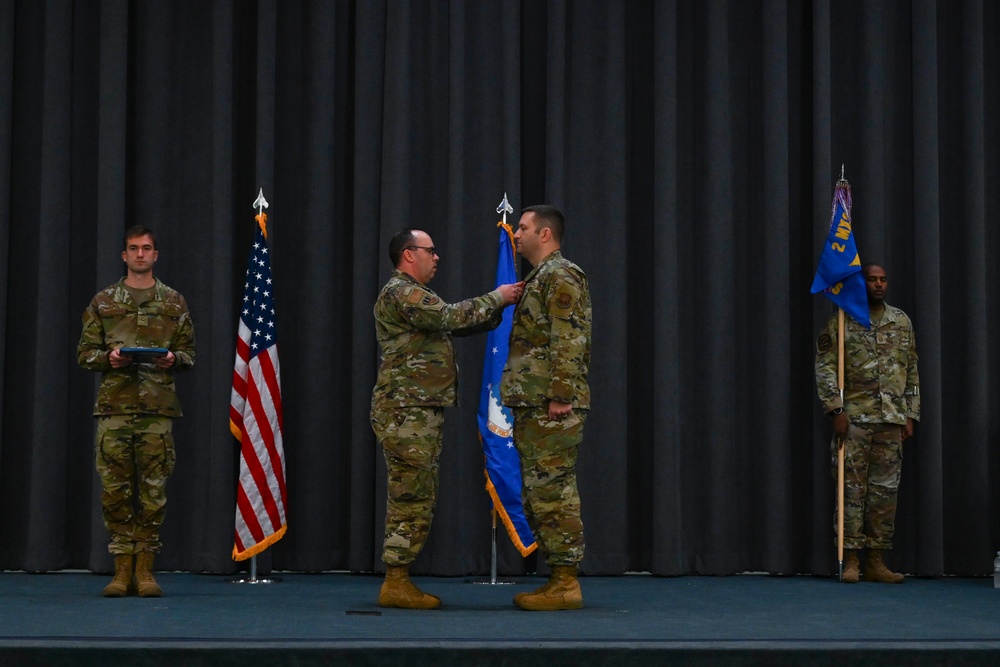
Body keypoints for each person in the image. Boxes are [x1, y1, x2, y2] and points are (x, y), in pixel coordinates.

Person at [371, 228, 523, 609]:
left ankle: (399, 578)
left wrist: (497, 310)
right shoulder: (402, 292)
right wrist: (498, 297)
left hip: (416, 410)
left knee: (418, 493)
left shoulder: (411, 293)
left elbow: (457, 322)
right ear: (409, 254)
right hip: (406, 412)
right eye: (430, 251)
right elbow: (451, 316)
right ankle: (395, 581)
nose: (437, 257)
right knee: (411, 495)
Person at [77, 226, 196, 597]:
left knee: (153, 491)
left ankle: (145, 569)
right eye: (133, 248)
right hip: (114, 409)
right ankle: (120, 568)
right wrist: (108, 358)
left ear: (155, 255)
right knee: (114, 491)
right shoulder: (104, 301)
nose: (140, 254)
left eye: (147, 248)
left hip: (157, 410)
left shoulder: (174, 302)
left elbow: (189, 353)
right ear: (124, 256)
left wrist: (174, 358)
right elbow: (84, 354)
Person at [501, 205, 591, 611]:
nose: (515, 234)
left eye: (522, 228)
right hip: (532, 404)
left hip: (550, 405)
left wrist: (560, 394)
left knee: (554, 493)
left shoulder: (560, 275)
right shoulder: (540, 277)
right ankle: (558, 578)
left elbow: (568, 338)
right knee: (540, 493)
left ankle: (566, 582)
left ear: (546, 234)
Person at [815, 263, 920, 584]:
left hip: (891, 419)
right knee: (851, 491)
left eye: (883, 279)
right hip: (855, 421)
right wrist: (835, 410)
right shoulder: (842, 322)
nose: (878, 285)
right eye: (872, 280)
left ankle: (877, 559)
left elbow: (911, 369)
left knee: (884, 494)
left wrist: (911, 413)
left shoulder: (900, 322)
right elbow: (825, 367)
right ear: (861, 284)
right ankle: (852, 561)